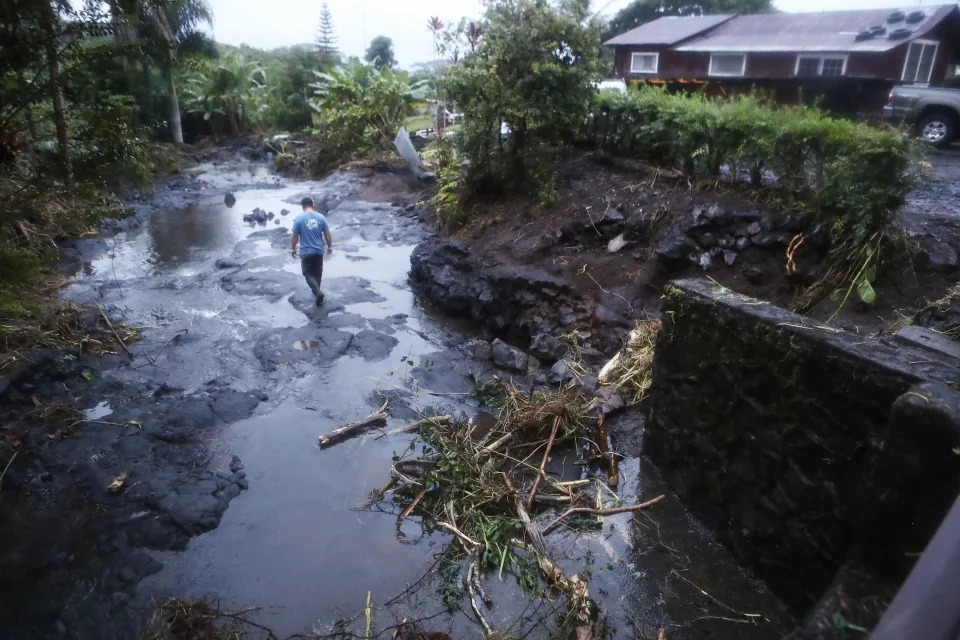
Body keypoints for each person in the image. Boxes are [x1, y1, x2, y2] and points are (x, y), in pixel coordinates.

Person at [291, 197, 333, 305]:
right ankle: (317, 293)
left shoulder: (299, 218)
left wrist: (293, 249)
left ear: (303, 206)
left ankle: (318, 292)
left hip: (306, 252)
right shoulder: (321, 217)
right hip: (319, 251)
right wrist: (329, 247)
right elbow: (327, 234)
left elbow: (295, 236)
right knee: (318, 273)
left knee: (307, 273)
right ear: (312, 204)